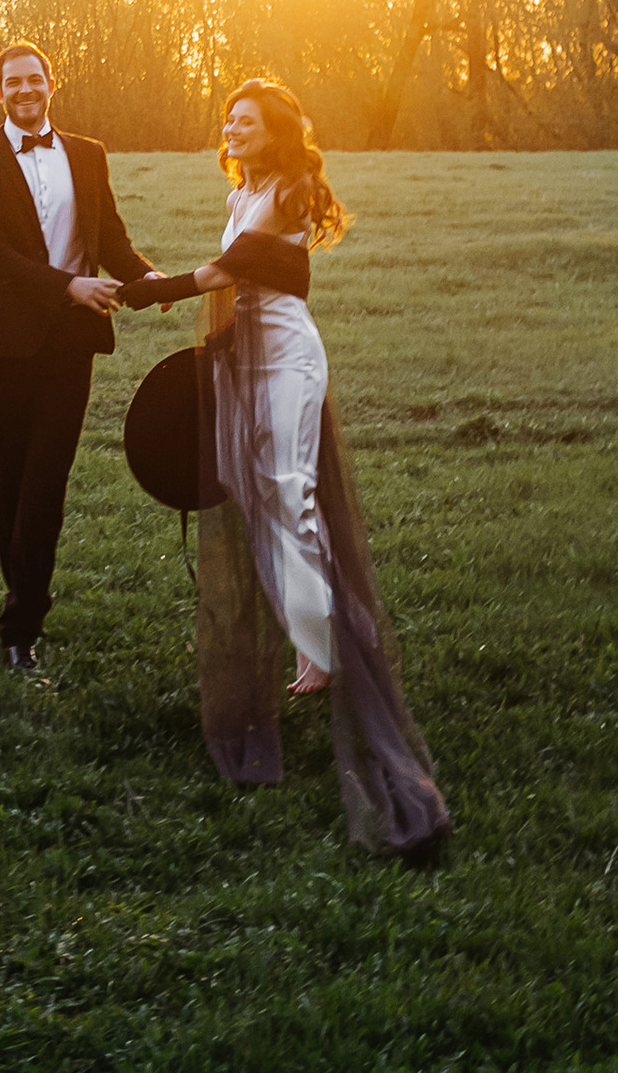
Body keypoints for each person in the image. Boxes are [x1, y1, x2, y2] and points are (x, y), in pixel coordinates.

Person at [128, 74, 450, 857]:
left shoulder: (283, 190)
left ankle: (341, 637)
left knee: (288, 490)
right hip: (247, 355)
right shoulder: (247, 191)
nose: (231, 130)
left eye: (245, 121)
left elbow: (221, 272)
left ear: (273, 129)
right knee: (249, 487)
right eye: (227, 120)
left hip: (287, 361)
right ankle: (315, 640)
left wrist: (145, 292)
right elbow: (230, 274)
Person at [0, 41, 155, 674]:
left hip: (71, 343)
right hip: (2, 345)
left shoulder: (89, 156)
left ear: (51, 84)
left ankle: (21, 625)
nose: (25, 90)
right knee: (7, 479)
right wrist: (69, 284)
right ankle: (24, 591)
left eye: (35, 79)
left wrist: (159, 283)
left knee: (45, 482)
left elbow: (111, 240)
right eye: (13, 82)